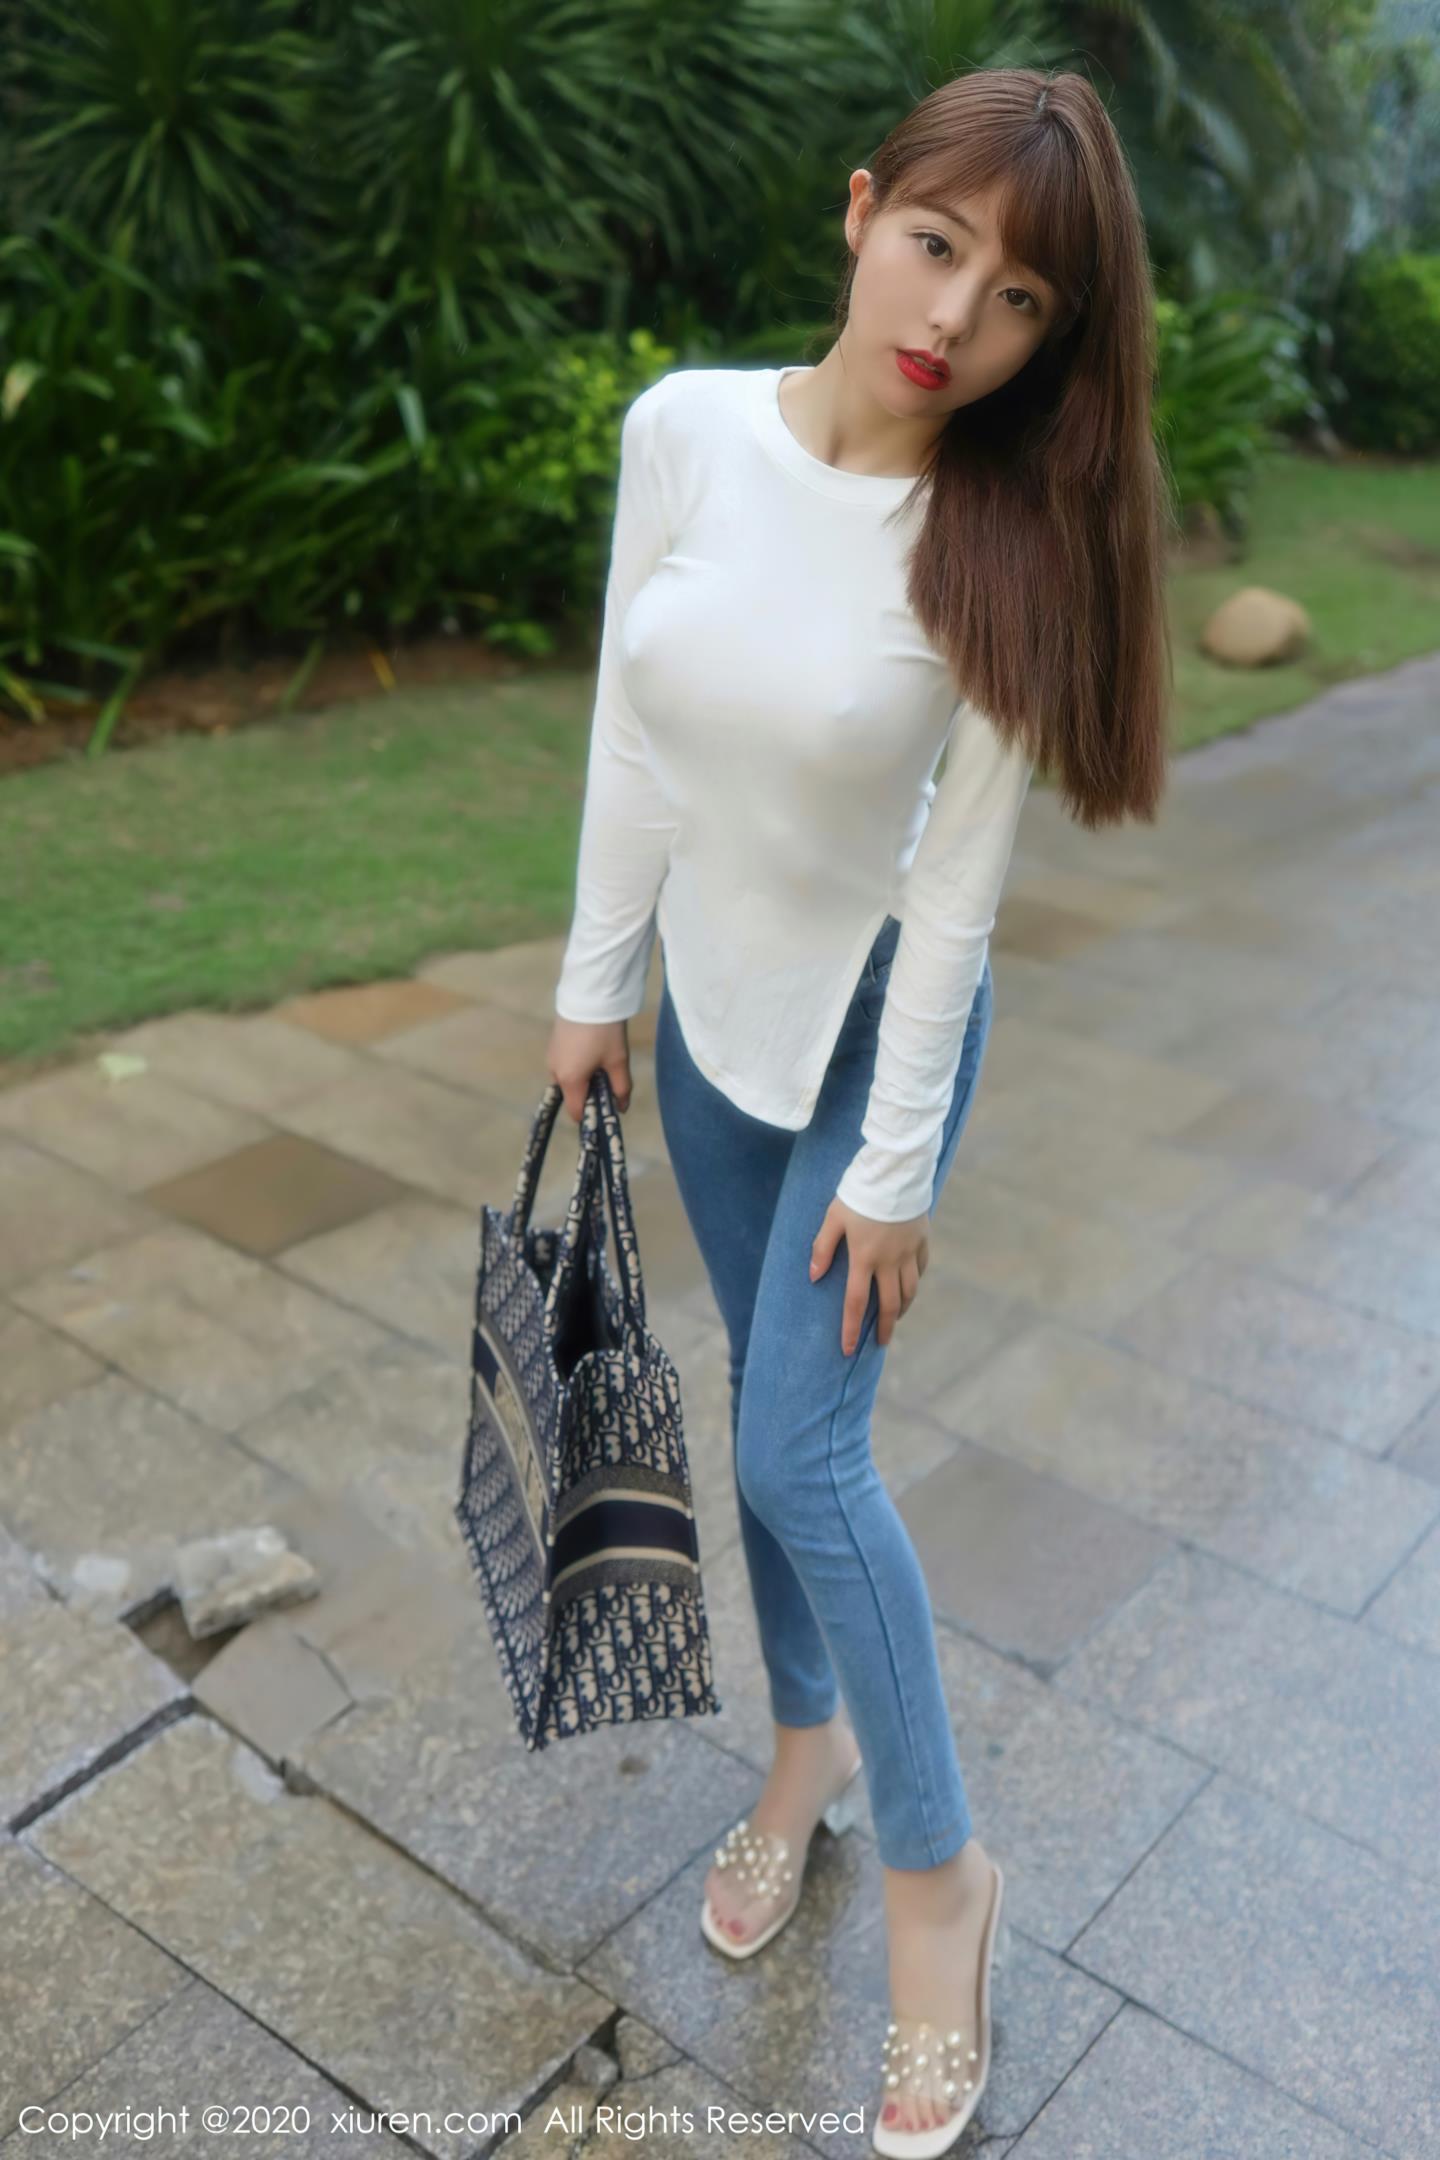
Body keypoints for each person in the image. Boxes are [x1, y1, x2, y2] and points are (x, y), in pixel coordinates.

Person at [546, 64, 1173, 2160]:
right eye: (938, 244)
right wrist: (594, 987)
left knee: (803, 1454)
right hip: (711, 1019)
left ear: (1050, 339)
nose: (958, 316)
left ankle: (939, 1882)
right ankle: (800, 1751)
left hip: (877, 1031)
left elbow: (959, 897)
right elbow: (632, 726)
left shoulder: (1004, 542)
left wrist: (895, 1174)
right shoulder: (682, 431)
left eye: (1022, 299)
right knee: (764, 1422)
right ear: (859, 210)